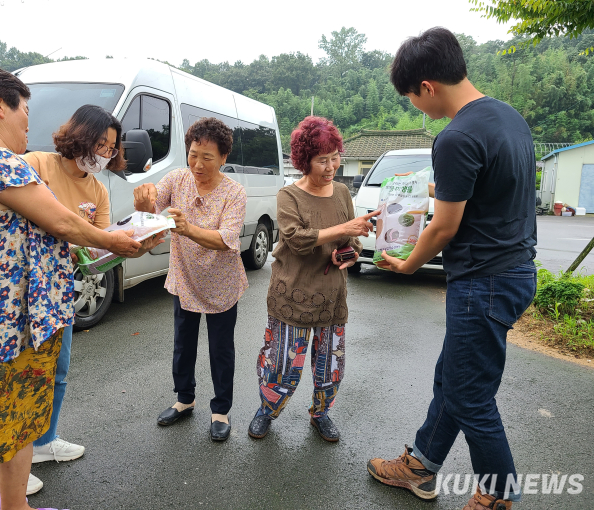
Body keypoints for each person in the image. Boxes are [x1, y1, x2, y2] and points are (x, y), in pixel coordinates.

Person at [0, 65, 143, 510]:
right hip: (14, 323)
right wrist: (113, 240)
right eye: (24, 109)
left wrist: (105, 243)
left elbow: (43, 233)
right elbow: (60, 220)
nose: (27, 121)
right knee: (17, 416)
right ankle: (16, 507)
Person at [366, 28, 537, 510]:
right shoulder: (509, 118)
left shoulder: (456, 136)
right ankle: (420, 463)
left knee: (470, 397)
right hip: (514, 270)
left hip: (483, 280)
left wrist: (406, 265)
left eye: (411, 99)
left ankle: (499, 495)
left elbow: (443, 227)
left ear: (427, 86)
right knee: (454, 378)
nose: (416, 108)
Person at [0, 105, 165, 495]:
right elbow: (47, 226)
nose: (104, 152)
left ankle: (44, 442)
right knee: (16, 380)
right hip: (18, 294)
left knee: (57, 372)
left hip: (59, 294)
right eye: (99, 142)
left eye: (111, 147)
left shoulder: (97, 189)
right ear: (79, 135)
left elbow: (97, 253)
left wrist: (133, 241)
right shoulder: (34, 164)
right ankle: (4, 463)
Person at [246, 116, 378, 442]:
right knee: (282, 365)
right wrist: (346, 229)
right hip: (292, 295)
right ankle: (266, 410)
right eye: (323, 160)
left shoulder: (344, 193)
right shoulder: (289, 195)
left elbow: (353, 243)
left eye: (335, 157)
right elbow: (297, 239)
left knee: (330, 364)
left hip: (331, 297)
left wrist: (346, 253)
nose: (331, 166)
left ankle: (320, 414)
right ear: (305, 160)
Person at [133, 117, 248, 442]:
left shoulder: (234, 192)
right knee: (183, 344)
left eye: (207, 157)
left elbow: (227, 238)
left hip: (221, 284)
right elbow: (151, 216)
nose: (197, 164)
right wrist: (144, 206)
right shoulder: (176, 179)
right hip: (184, 277)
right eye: (193, 154)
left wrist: (187, 229)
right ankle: (184, 399)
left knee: (221, 350)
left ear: (223, 158)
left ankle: (220, 411)